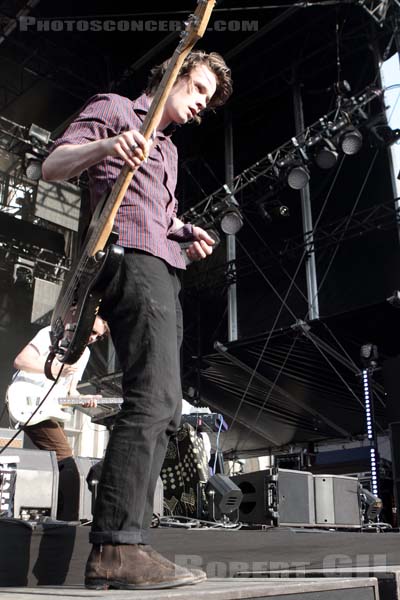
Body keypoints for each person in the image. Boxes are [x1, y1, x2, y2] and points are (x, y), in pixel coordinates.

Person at [42, 50, 232, 590]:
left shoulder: (168, 153)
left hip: (162, 265)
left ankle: (125, 544)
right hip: (130, 262)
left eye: (207, 100)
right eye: (197, 89)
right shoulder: (118, 109)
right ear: (172, 72)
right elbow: (53, 165)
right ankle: (117, 548)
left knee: (167, 406)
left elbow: (158, 215)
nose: (200, 105)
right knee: (152, 399)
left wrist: (184, 233)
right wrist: (108, 144)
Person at [11, 316, 109, 519]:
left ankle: (56, 515)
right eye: (92, 331)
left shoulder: (84, 354)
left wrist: (84, 399)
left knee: (61, 464)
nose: (93, 338)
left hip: (47, 409)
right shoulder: (50, 335)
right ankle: (67, 521)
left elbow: (70, 392)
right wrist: (54, 369)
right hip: (27, 402)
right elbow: (20, 361)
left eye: (98, 336)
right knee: (67, 462)